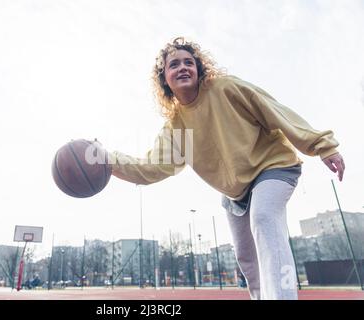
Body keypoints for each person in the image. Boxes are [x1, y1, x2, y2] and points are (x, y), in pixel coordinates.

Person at [106, 37, 344, 300]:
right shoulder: (176, 128)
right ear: (165, 79)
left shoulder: (226, 89)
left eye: (189, 62)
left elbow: (274, 110)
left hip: (272, 166)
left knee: (264, 218)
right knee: (247, 258)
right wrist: (106, 160)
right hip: (234, 191)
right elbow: (151, 168)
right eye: (174, 65)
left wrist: (322, 145)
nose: (183, 67)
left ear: (199, 69)